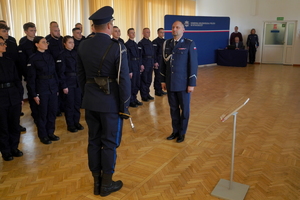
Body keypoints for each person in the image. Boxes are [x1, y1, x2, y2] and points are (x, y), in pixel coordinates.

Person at [77, 6, 131, 197]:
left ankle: (96, 182)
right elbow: (123, 80)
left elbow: (81, 76)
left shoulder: (82, 45)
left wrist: (89, 95)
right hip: (110, 104)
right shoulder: (117, 47)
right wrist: (125, 107)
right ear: (109, 25)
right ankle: (106, 184)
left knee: (93, 141)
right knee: (109, 143)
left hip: (90, 101)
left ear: (93, 26)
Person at [160, 21, 198, 143]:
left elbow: (193, 64)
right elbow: (163, 64)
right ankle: (175, 131)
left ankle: (182, 133)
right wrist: (162, 80)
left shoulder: (189, 43)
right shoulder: (167, 43)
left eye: (177, 27)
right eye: (173, 27)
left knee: (184, 110)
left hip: (183, 84)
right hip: (170, 83)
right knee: (173, 109)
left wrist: (191, 83)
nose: (174, 29)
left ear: (183, 29)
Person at [27, 36, 60, 145]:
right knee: (42, 114)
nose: (46, 44)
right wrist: (34, 94)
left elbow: (54, 73)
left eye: (46, 42)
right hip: (41, 89)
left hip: (52, 88)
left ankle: (50, 132)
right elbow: (31, 79)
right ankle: (43, 135)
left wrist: (56, 88)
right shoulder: (33, 58)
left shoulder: (49, 56)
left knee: (52, 112)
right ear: (37, 44)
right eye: (44, 42)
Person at [0, 36, 24, 161]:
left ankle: (14, 147)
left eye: (4, 43)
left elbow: (17, 79)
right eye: (1, 44)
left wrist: (20, 96)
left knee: (15, 124)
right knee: (3, 126)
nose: (5, 46)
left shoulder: (9, 61)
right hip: (1, 97)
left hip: (13, 95)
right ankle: (5, 151)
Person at [57, 36, 83, 132]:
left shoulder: (76, 53)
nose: (72, 44)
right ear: (64, 43)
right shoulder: (62, 55)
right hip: (68, 82)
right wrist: (64, 85)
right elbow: (61, 72)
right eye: (70, 42)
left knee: (77, 104)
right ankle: (70, 124)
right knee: (69, 104)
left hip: (77, 81)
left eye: (73, 42)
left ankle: (76, 122)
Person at [18, 22, 38, 123]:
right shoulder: (23, 44)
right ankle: (35, 115)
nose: (34, 32)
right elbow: (22, 63)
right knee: (32, 95)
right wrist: (27, 76)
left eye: (34, 30)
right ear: (26, 31)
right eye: (31, 30)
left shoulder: (38, 41)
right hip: (30, 75)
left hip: (40, 74)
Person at [125, 28, 143, 107]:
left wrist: (140, 65)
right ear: (128, 34)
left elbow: (139, 56)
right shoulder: (127, 44)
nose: (133, 34)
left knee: (137, 83)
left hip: (137, 64)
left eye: (134, 33)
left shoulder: (136, 44)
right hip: (132, 65)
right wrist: (130, 70)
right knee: (132, 84)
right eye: (131, 33)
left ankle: (135, 98)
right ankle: (131, 100)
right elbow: (127, 58)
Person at [138, 28, 155, 102]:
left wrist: (154, 62)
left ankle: (147, 94)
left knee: (149, 80)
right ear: (143, 33)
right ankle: (144, 95)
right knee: (144, 80)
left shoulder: (150, 42)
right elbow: (139, 55)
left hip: (150, 62)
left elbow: (153, 54)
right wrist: (141, 64)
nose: (148, 33)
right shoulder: (141, 43)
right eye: (147, 32)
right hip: (145, 63)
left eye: (149, 32)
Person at [152, 28, 167, 96]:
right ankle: (157, 90)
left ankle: (161, 89)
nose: (162, 34)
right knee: (157, 76)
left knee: (162, 76)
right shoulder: (155, 41)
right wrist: (155, 62)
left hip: (163, 60)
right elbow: (154, 53)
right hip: (158, 60)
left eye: (163, 32)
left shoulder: (165, 41)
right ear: (158, 33)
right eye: (161, 32)